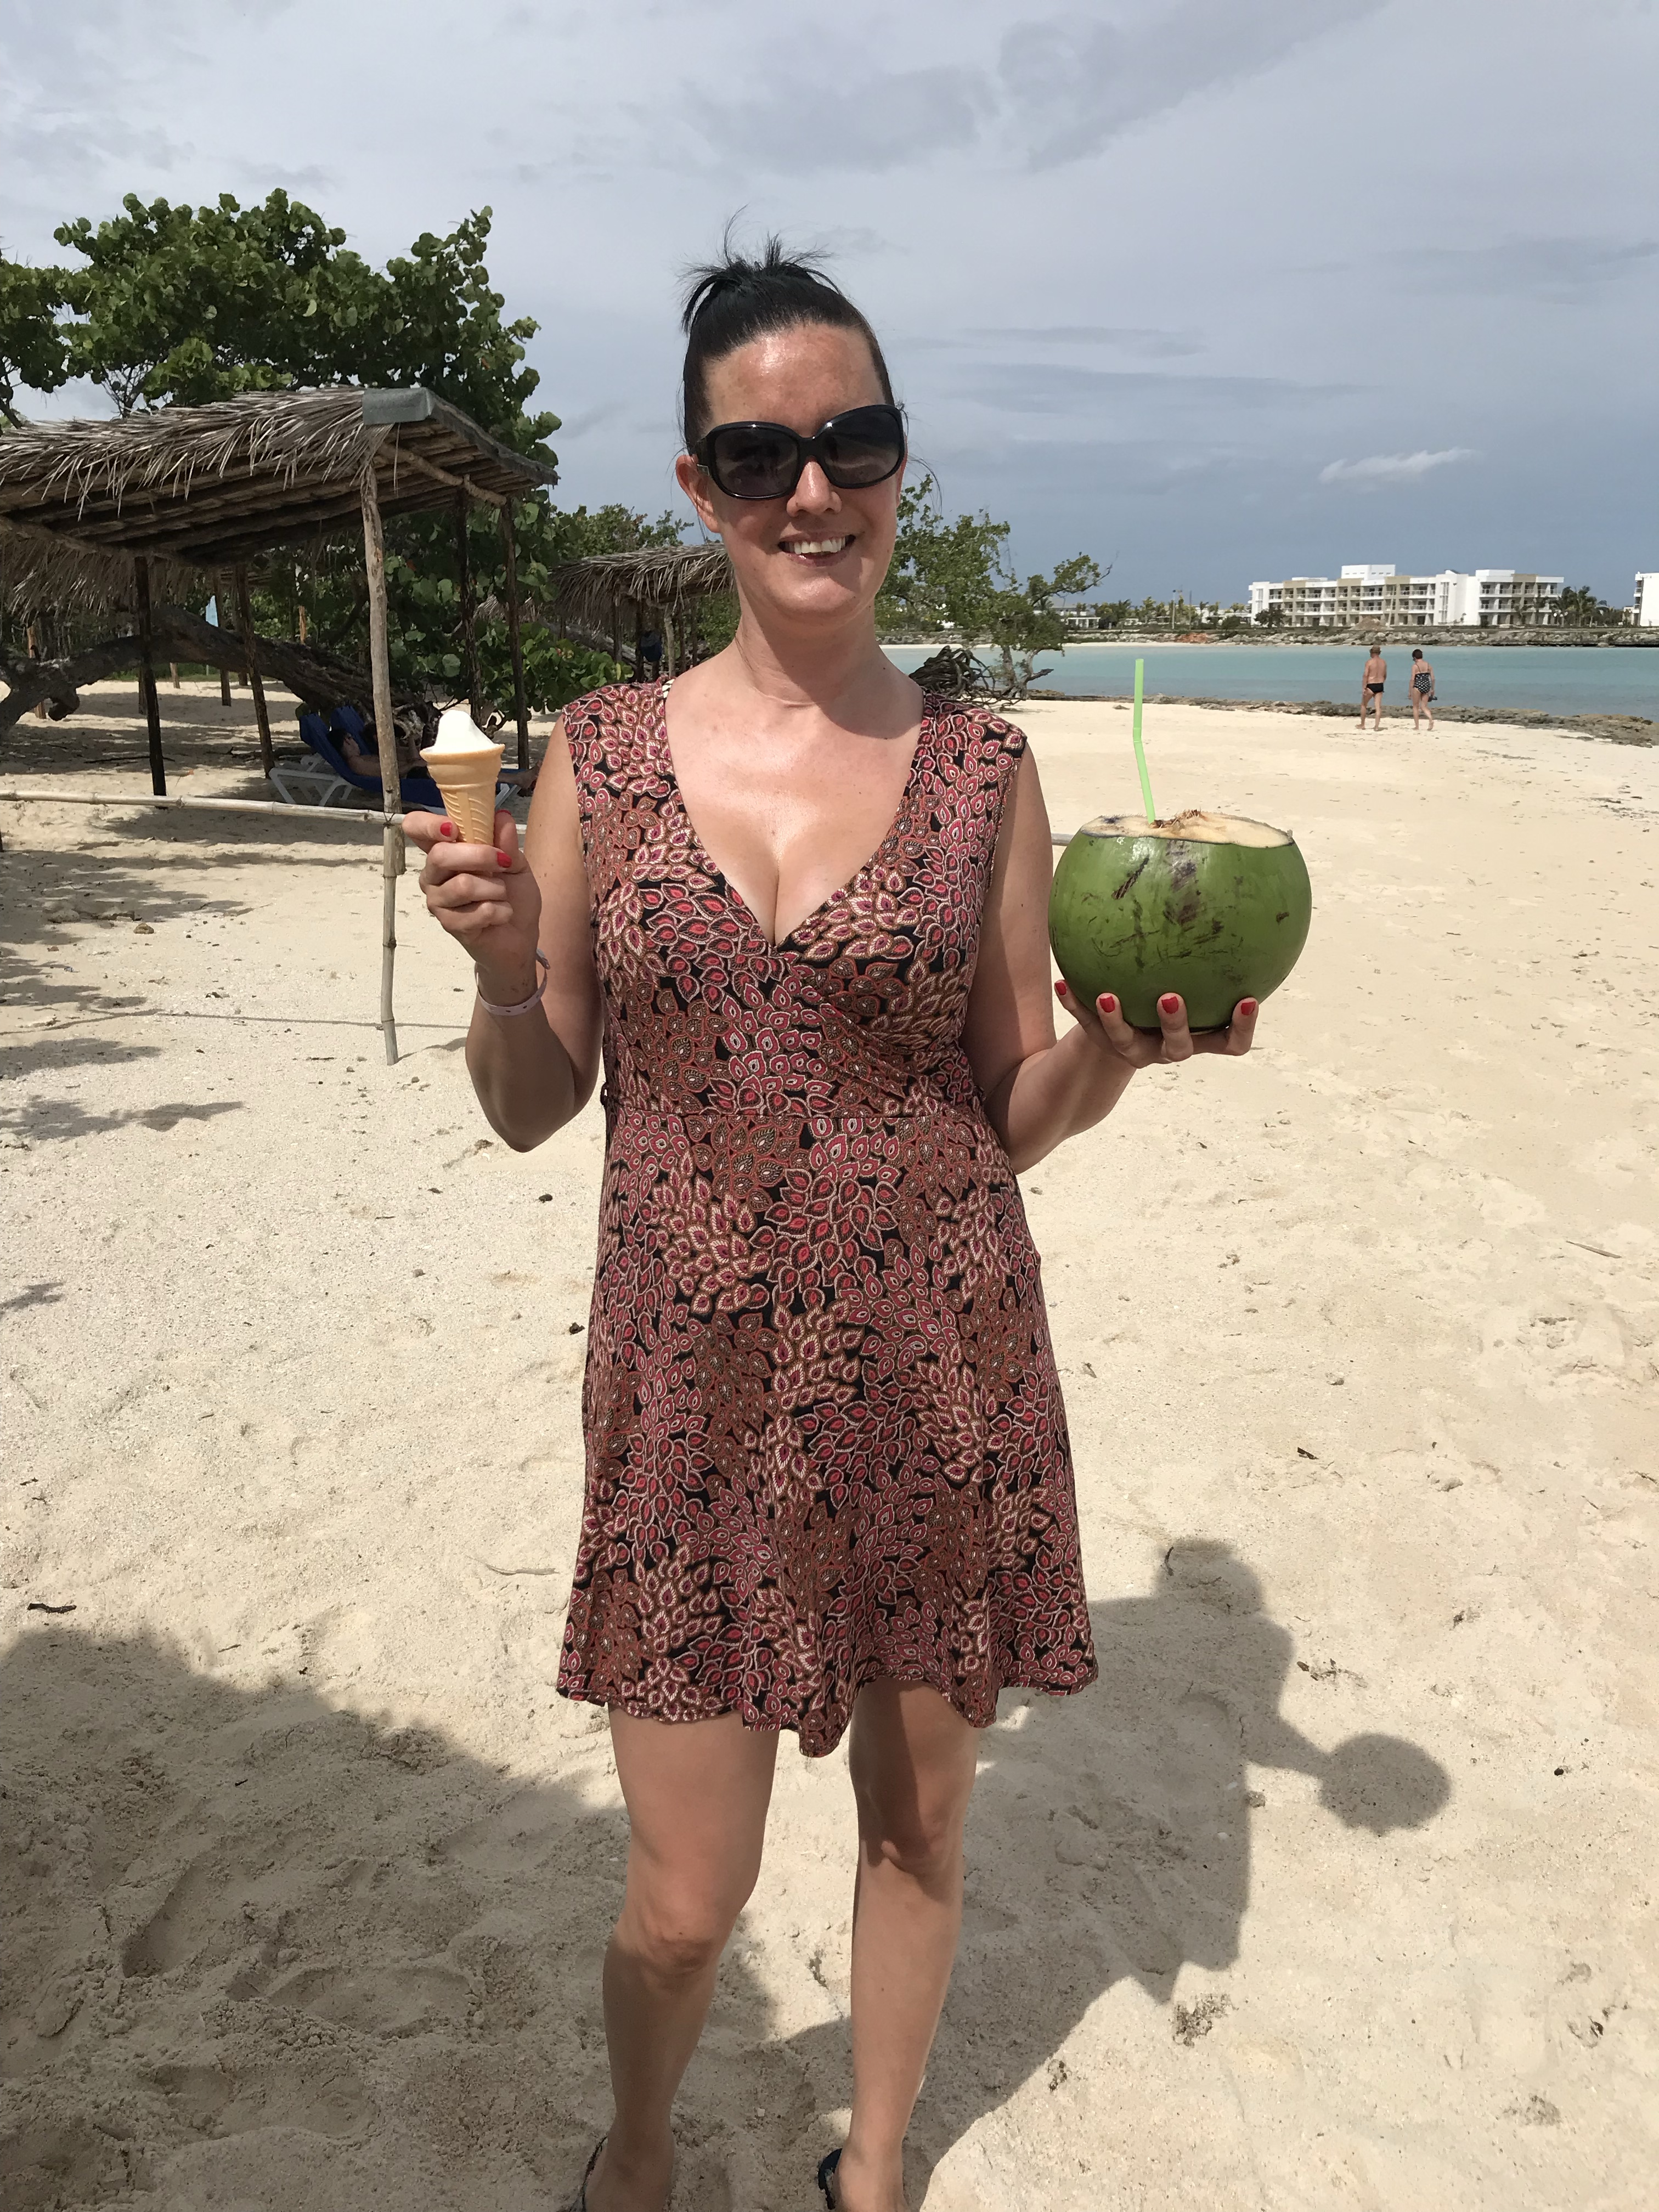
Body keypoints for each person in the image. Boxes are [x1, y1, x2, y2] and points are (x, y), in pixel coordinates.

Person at [406, 239, 1262, 2212]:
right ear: (699, 487)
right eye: (761, 453)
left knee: (919, 1827)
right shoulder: (597, 757)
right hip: (687, 1405)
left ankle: (870, 2168)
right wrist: (495, 975)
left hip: (937, 1380)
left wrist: (1116, 1052)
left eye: (852, 441)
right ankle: (638, 2156)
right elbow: (533, 1103)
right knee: (679, 1901)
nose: (814, 489)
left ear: (897, 463)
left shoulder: (983, 768)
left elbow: (1008, 1106)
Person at [1358, 642, 1386, 730]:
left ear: (1372, 653)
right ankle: (1377, 727)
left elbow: (1366, 675)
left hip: (1371, 685)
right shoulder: (1383, 662)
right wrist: (1382, 683)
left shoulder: (1369, 662)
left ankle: (1363, 725)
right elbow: (1385, 675)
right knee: (1378, 707)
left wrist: (1364, 687)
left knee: (1364, 705)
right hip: (1380, 685)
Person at [1409, 646, 1436, 732]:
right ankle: (1430, 719)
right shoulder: (1428, 665)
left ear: (1415, 658)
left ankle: (1417, 726)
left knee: (1415, 707)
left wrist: (1410, 691)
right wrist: (1433, 689)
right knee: (1424, 706)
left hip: (1418, 685)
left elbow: (1413, 679)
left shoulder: (1415, 666)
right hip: (1427, 685)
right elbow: (1433, 678)